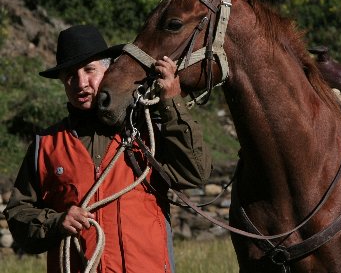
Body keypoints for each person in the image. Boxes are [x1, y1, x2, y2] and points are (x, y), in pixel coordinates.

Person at [4, 25, 212, 273]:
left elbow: (195, 173)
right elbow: (18, 213)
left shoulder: (147, 130)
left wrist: (172, 103)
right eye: (70, 75)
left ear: (109, 71)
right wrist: (56, 221)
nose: (81, 83)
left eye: (90, 70)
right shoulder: (45, 145)